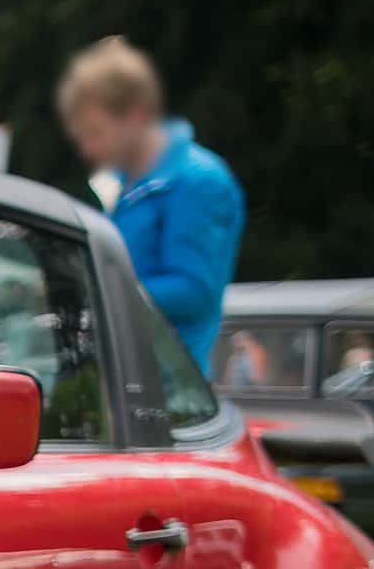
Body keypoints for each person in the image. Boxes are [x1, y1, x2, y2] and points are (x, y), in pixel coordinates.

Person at [56, 37, 244, 370]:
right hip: (131, 377)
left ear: (137, 114)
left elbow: (194, 292)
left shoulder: (197, 180)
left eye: (95, 132)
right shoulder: (126, 184)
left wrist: (94, 291)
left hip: (174, 390)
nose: (86, 149)